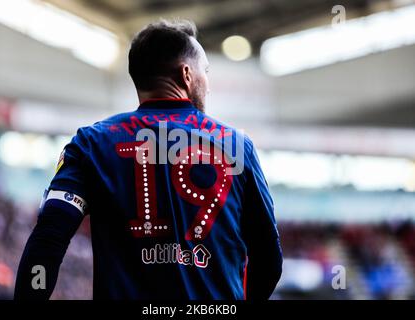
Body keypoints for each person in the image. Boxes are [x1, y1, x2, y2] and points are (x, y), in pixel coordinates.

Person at [14, 19, 282, 300]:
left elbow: (49, 237)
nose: (208, 83)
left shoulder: (91, 144)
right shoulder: (237, 146)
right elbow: (269, 257)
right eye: (206, 71)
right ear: (186, 75)